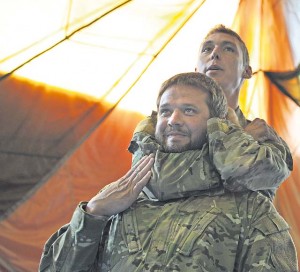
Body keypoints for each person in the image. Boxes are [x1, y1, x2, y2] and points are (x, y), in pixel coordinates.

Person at [39, 72, 298, 271]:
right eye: (165, 111)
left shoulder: (250, 209)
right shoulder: (120, 198)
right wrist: (93, 214)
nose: (173, 120)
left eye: (188, 110)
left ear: (215, 125)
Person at [132, 24, 293, 200]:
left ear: (247, 71)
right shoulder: (158, 125)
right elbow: (153, 181)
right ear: (196, 70)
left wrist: (236, 140)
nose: (214, 54)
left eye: (228, 49)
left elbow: (264, 180)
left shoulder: (263, 133)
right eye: (207, 49)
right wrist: (242, 142)